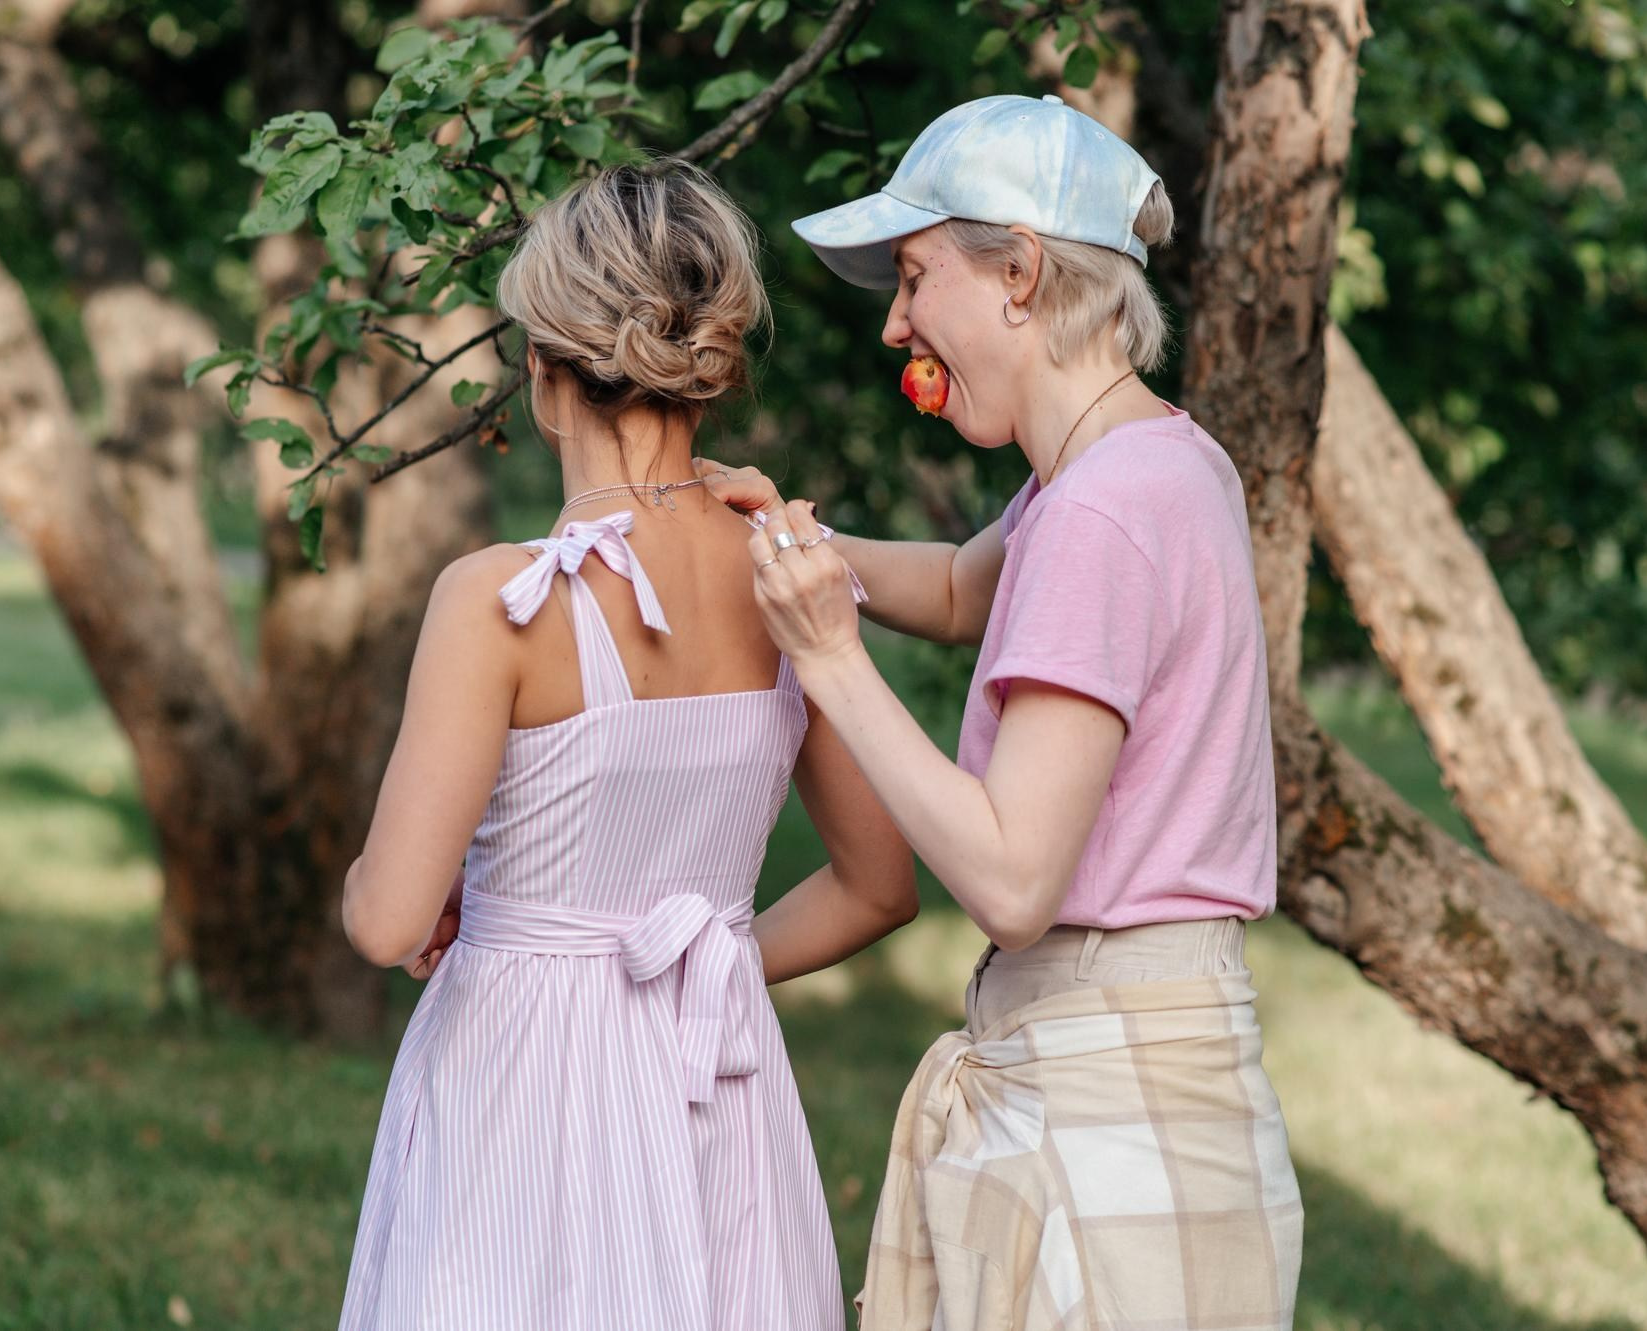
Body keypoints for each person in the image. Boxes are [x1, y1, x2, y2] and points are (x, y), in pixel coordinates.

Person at [698, 94, 1303, 1331]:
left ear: (1019, 272)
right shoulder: (1149, 462)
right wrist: (791, 538)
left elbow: (1014, 880)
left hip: (1105, 1120)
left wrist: (828, 659)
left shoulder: (1095, 510)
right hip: (1145, 1087)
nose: (895, 324)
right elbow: (970, 587)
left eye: (915, 278)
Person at [334, 159, 918, 1331]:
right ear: (710, 364)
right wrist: (691, 966)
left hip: (518, 1096)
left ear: (544, 371)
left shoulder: (498, 599)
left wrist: (417, 885)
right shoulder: (785, 571)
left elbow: (390, 921)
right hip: (717, 1079)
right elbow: (876, 885)